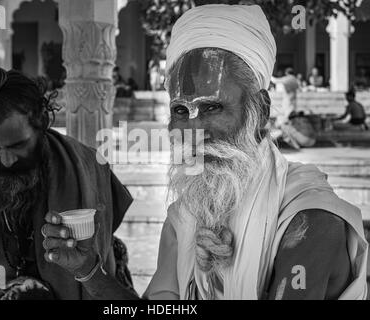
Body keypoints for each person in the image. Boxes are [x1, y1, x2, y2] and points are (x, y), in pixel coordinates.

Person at [51, 4, 368, 300]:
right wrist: (89, 270)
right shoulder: (184, 218)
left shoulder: (310, 221)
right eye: (179, 109)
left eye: (212, 106)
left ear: (261, 111)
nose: (192, 132)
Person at [0, 59, 134, 300]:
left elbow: (105, 272)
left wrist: (86, 269)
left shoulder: (87, 167)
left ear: (42, 123)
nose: (6, 160)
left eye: (18, 146)